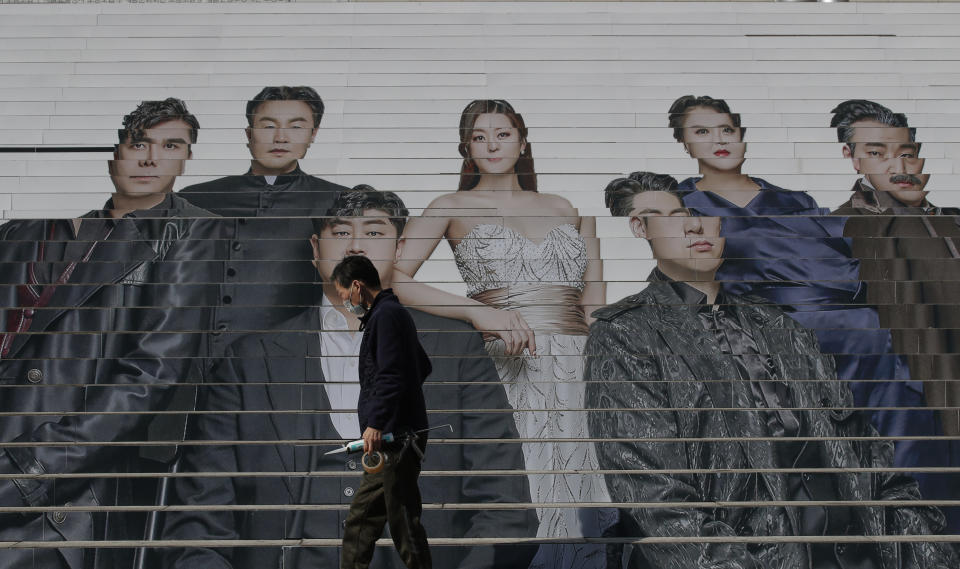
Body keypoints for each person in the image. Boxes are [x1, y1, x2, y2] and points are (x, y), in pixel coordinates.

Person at [588, 173, 958, 569]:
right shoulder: (625, 333)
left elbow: (870, 458)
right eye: (663, 217)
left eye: (692, 211)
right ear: (640, 230)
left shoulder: (781, 325)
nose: (692, 224)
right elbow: (656, 500)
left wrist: (929, 554)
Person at [161, 186, 537, 569]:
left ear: (401, 248)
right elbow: (198, 522)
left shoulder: (456, 351)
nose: (356, 246)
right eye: (341, 232)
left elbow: (506, 509)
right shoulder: (247, 361)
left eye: (374, 233)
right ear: (315, 248)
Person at [393, 99, 614, 569]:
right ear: (466, 148)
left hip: (579, 368)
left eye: (503, 134)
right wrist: (475, 312)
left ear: (523, 141)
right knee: (520, 483)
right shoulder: (449, 206)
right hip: (505, 363)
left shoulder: (565, 208)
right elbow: (394, 279)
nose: (492, 144)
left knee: (585, 488)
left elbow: (593, 306)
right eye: (480, 137)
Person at [0, 98, 219, 569]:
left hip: (57, 486)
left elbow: (149, 376)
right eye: (138, 143)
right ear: (114, 151)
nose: (150, 158)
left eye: (170, 145)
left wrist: (28, 471)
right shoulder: (25, 233)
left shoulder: (190, 231)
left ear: (186, 159)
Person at [664, 94, 907, 395]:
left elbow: (839, 247)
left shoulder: (795, 200)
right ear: (684, 143)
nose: (718, 140)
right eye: (701, 132)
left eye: (727, 130)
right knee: (871, 327)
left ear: (741, 136)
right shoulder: (681, 205)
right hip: (763, 318)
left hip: (840, 299)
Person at [830, 99, 960, 532]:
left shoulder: (952, 222)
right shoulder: (838, 230)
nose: (898, 164)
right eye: (877, 153)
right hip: (919, 417)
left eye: (905, 151)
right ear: (851, 158)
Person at [178, 85, 349, 354]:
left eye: (296, 127)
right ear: (249, 134)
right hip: (199, 357)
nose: (280, 138)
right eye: (268, 126)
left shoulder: (338, 201)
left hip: (291, 359)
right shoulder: (196, 198)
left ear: (313, 134)